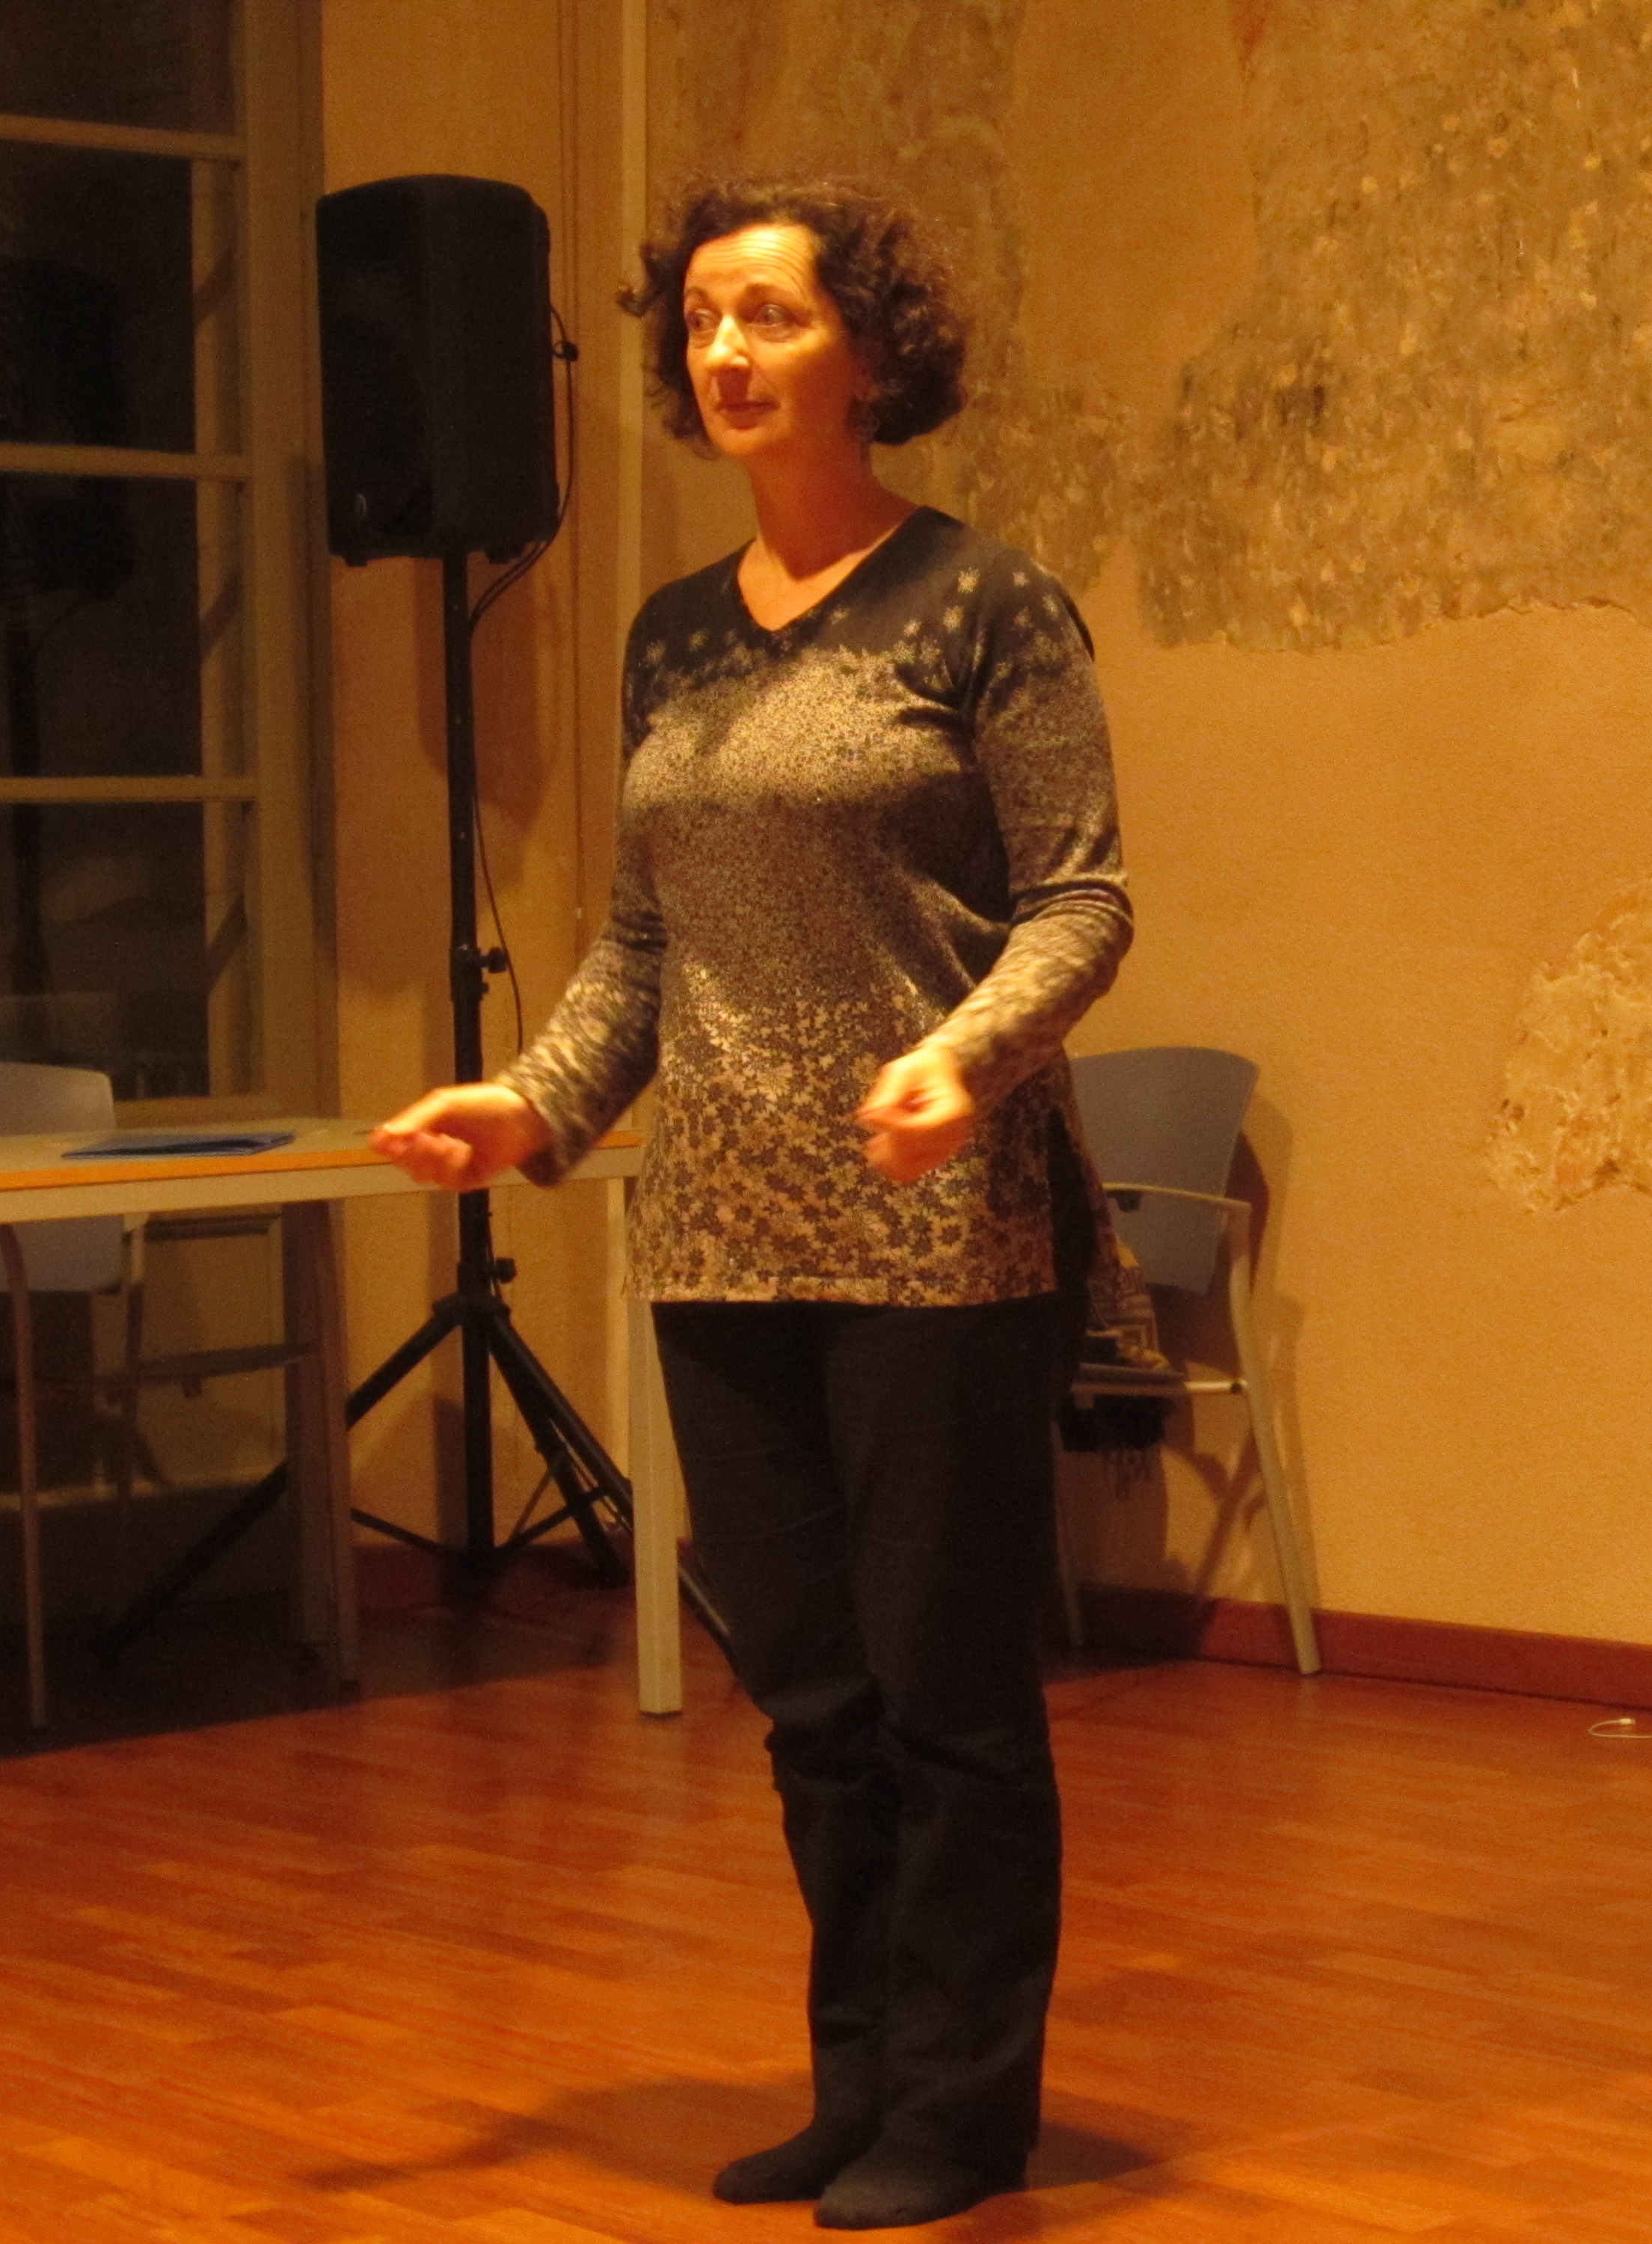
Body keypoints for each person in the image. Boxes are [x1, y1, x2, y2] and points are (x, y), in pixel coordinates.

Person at [372, 177, 1129, 2231]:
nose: (725, 351)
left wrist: (969, 1058)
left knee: (947, 1701)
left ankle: (961, 2112)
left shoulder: (986, 604)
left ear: (872, 353)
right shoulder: (675, 633)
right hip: (717, 1237)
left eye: (771, 316)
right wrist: (528, 1111)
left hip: (938, 1236)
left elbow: (1081, 901)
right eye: (701, 319)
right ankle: (857, 2082)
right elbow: (640, 944)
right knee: (809, 1703)